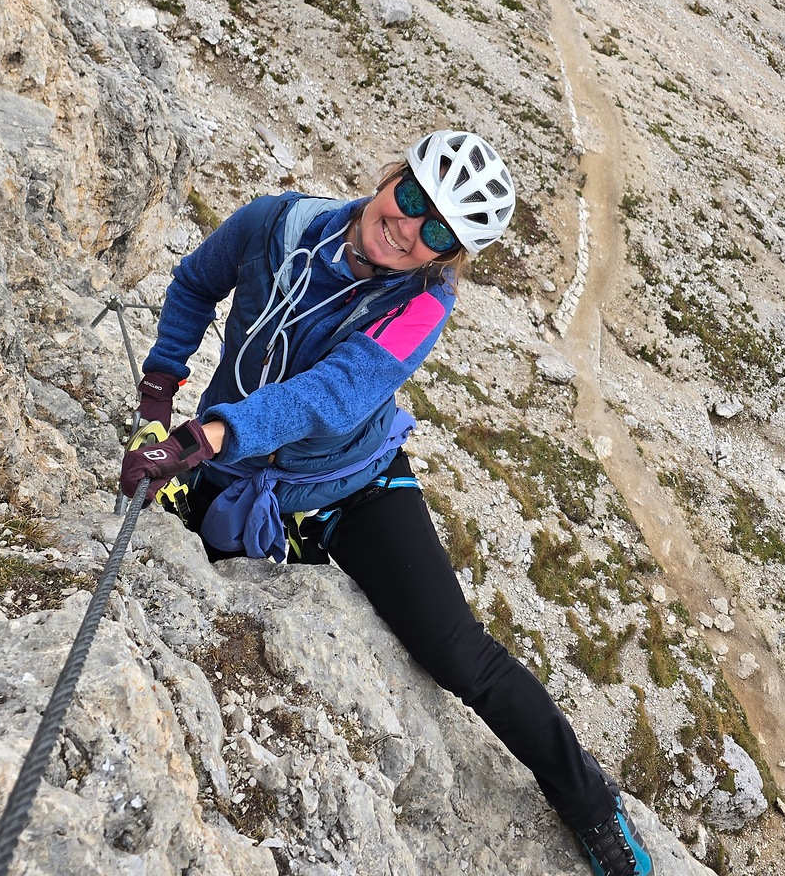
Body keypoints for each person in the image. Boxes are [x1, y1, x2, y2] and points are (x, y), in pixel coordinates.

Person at [120, 129, 655, 876]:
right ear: (391, 178)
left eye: (436, 230)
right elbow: (194, 285)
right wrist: (158, 394)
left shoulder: (423, 306)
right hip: (232, 465)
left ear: (447, 255)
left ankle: (593, 808)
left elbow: (331, 395)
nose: (407, 228)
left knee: (461, 659)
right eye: (411, 198)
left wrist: (207, 435)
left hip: (354, 483)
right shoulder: (277, 223)